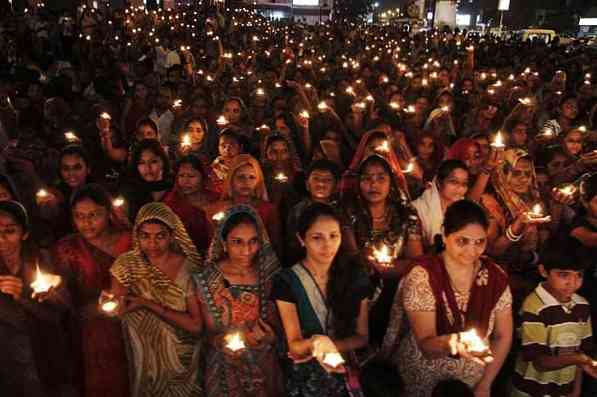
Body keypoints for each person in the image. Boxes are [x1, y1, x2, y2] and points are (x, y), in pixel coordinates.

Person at [381, 200, 513, 396]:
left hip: (472, 381)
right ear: (444, 234)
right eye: (462, 241)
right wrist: (455, 342)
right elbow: (426, 344)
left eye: (479, 242)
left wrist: (485, 383)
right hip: (423, 378)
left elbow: (502, 335)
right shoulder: (424, 275)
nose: (471, 251)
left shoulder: (494, 277)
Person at [273, 203, 370, 397]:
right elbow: (295, 345)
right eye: (317, 238)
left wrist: (328, 346)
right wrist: (317, 343)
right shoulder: (287, 281)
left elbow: (362, 337)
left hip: (349, 369)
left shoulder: (355, 276)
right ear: (302, 239)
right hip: (308, 373)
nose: (327, 245)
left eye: (333, 236)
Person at [110, 202, 203, 397]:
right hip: (145, 359)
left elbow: (195, 325)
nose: (152, 244)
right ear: (137, 235)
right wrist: (110, 304)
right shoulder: (126, 266)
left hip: (183, 361)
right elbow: (118, 309)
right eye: (145, 236)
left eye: (160, 236)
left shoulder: (189, 268)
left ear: (172, 236)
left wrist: (146, 303)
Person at [194, 205, 283, 397]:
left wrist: (271, 337)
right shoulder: (208, 279)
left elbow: (281, 325)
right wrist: (222, 342)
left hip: (265, 364)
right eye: (237, 242)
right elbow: (207, 332)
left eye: (253, 241)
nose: (246, 250)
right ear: (223, 243)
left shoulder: (270, 275)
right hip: (224, 367)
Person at [53, 184, 131, 397]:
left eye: (93, 215)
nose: (86, 223)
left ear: (108, 213)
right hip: (92, 328)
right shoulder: (67, 248)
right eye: (79, 216)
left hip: (133, 319)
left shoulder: (129, 240)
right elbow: (65, 294)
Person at [0, 200, 73, 397]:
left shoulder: (42, 259)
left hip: (46, 351)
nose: (2, 238)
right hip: (8, 360)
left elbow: (63, 307)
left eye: (9, 230)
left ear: (24, 233)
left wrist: (27, 296)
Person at [512, 237, 597, 397]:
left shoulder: (582, 306)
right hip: (531, 390)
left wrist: (575, 389)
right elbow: (540, 362)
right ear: (543, 271)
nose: (572, 282)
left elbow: (582, 351)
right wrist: (579, 359)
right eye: (564, 275)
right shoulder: (534, 307)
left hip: (564, 389)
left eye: (578, 275)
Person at [412, 160, 469, 251]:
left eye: (464, 184)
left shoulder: (465, 210)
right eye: (454, 182)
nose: (460, 188)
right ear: (438, 182)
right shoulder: (417, 209)